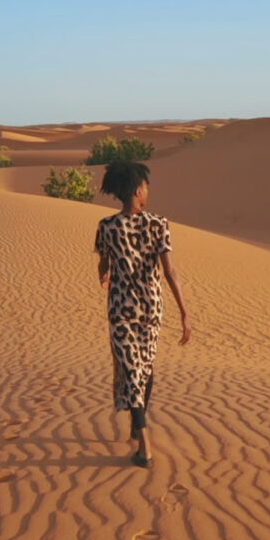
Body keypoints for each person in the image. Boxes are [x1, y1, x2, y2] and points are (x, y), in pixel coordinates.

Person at [94, 160, 191, 468]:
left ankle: (141, 439)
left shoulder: (107, 226)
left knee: (134, 370)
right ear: (137, 190)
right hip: (151, 308)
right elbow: (170, 271)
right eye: (145, 186)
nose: (147, 191)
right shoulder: (159, 224)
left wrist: (103, 275)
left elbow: (103, 262)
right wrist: (184, 312)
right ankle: (142, 435)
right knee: (142, 369)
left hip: (121, 310)